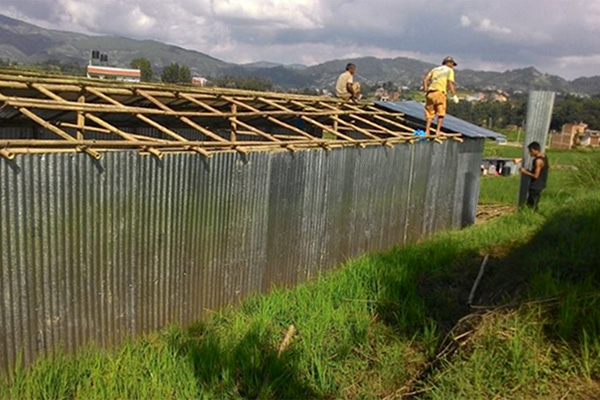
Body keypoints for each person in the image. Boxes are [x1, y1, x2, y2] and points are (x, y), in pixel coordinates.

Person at [422, 56, 459, 136]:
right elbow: (450, 83)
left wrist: (426, 90)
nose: (453, 66)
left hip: (430, 93)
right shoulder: (449, 70)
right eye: (452, 64)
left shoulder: (434, 69)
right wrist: (454, 95)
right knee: (441, 113)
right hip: (440, 93)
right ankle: (437, 131)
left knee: (429, 113)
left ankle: (427, 131)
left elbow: (425, 80)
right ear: (449, 63)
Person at [519, 141, 549, 210]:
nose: (530, 153)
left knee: (532, 204)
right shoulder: (544, 157)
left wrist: (524, 172)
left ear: (536, 150)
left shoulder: (538, 161)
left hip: (536, 185)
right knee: (534, 203)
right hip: (541, 184)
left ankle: (532, 215)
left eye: (531, 151)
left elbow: (536, 176)